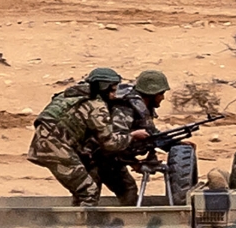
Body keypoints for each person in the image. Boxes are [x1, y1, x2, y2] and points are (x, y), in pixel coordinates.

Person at [27, 67, 150, 206]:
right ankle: (85, 226)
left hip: (45, 146)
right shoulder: (96, 106)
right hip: (57, 149)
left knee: (85, 185)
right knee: (89, 192)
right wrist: (132, 136)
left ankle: (76, 219)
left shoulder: (68, 96)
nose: (114, 95)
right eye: (112, 90)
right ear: (103, 88)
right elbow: (110, 143)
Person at [95, 70, 171, 205]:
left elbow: (152, 134)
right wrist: (134, 163)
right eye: (161, 94)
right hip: (95, 158)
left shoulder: (141, 108)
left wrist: (174, 143)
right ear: (152, 94)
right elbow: (114, 142)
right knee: (88, 195)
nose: (163, 98)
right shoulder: (125, 109)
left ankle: (126, 223)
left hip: (111, 160)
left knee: (128, 190)